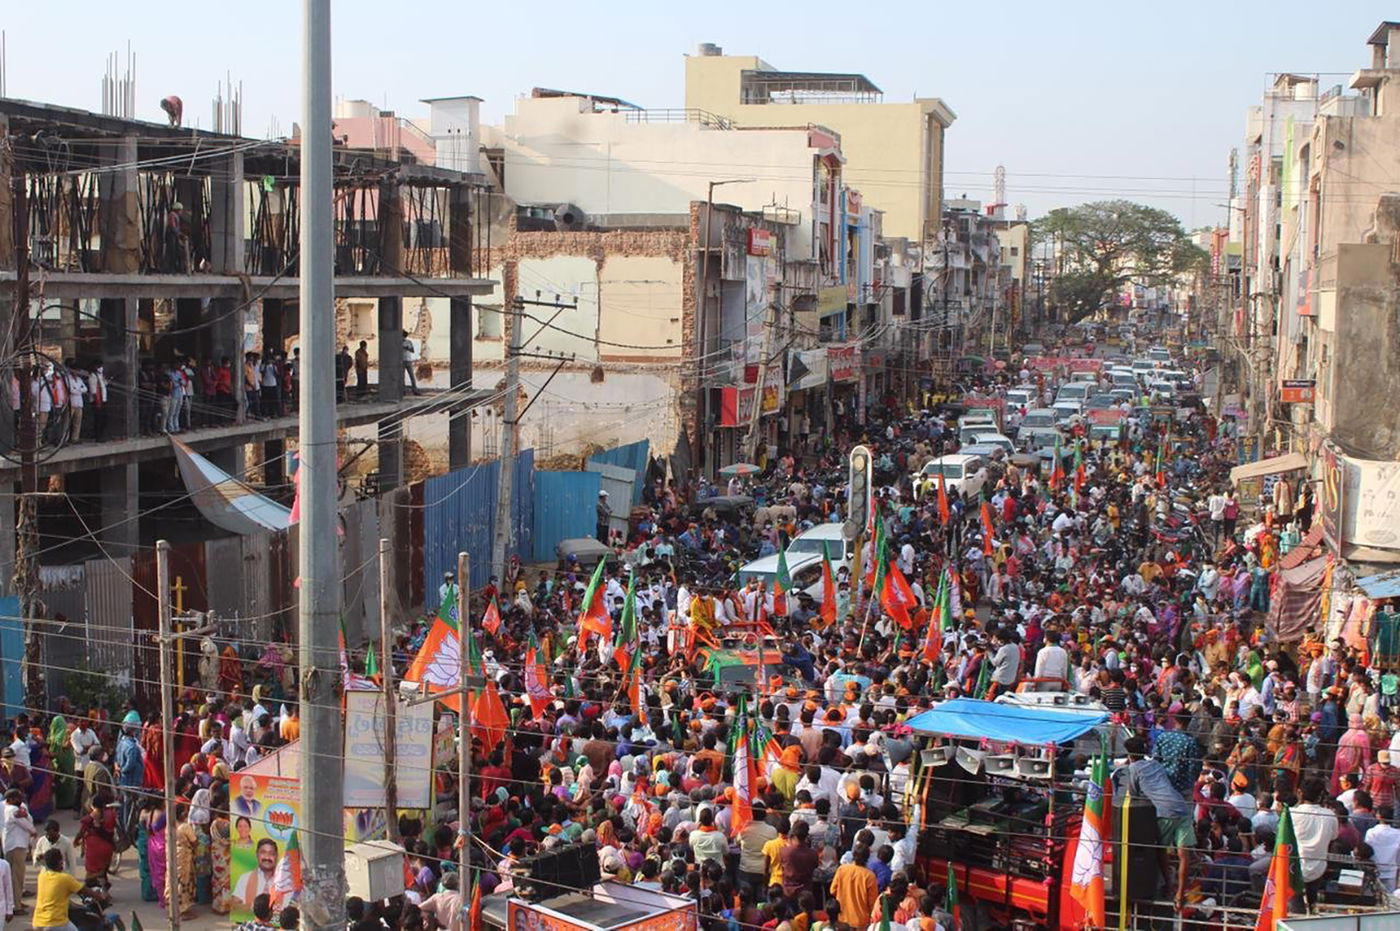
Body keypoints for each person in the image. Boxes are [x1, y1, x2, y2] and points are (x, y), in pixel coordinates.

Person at [31, 848, 84, 931]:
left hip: (38, 922)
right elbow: (85, 891)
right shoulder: (65, 878)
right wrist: (101, 896)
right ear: (61, 862)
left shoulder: (42, 876)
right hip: (55, 923)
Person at [1, 789, 35, 911]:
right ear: (10, 799)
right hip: (16, 847)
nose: (20, 800)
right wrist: (34, 831)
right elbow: (26, 824)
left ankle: (16, 902)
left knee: (14, 877)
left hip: (14, 846)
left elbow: (27, 819)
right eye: (17, 797)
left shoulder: (12, 808)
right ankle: (16, 905)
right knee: (16, 878)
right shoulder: (13, 810)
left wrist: (26, 816)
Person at [73, 800, 115, 889]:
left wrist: (76, 841)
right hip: (108, 848)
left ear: (92, 806)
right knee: (103, 871)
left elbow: (81, 833)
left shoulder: (88, 819)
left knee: (91, 874)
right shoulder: (110, 815)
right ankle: (105, 892)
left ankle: (94, 895)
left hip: (94, 849)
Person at [233, 838, 278, 910]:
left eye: (271, 853)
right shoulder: (245, 878)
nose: (267, 857)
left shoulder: (284, 881)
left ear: (276, 856)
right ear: (257, 854)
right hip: (250, 920)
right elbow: (235, 905)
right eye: (263, 852)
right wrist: (253, 907)